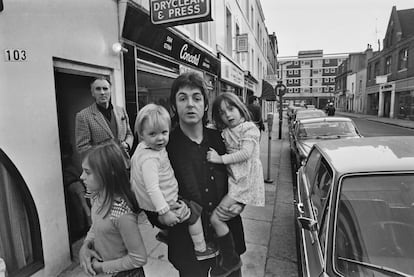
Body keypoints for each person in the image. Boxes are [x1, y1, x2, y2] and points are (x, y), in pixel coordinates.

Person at [145, 72, 246, 277]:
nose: (190, 104)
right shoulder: (164, 147)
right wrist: (161, 218)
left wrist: (241, 201)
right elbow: (144, 190)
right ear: (174, 106)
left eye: (197, 98)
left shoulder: (221, 140)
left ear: (205, 105)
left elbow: (245, 174)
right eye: (182, 98)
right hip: (188, 249)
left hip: (227, 242)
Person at [130, 103, 218, 261]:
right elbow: (152, 188)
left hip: (158, 201)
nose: (160, 138)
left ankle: (166, 233)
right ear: (141, 135)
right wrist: (164, 212)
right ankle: (201, 248)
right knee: (194, 212)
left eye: (164, 132)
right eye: (152, 134)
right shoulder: (150, 159)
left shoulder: (144, 148)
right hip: (165, 201)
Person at [207, 92, 265, 276]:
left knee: (216, 218)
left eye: (231, 109)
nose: (228, 115)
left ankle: (231, 258)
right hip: (236, 180)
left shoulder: (248, 128)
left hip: (243, 181)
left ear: (240, 108)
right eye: (223, 113)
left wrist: (219, 159)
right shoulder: (226, 130)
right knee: (219, 218)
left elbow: (246, 153)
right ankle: (228, 256)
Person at [78, 141, 147, 277]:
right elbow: (96, 225)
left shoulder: (122, 214)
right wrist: (86, 245)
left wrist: (101, 267)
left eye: (87, 172)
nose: (81, 177)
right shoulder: (96, 198)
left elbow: (139, 258)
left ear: (108, 173)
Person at [75, 77, 134, 158]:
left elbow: (129, 134)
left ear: (110, 91)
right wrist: (106, 154)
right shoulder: (83, 116)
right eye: (98, 89)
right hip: (103, 166)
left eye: (105, 89)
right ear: (92, 93)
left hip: (124, 162)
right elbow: (83, 147)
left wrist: (127, 144)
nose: (102, 92)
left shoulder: (121, 111)